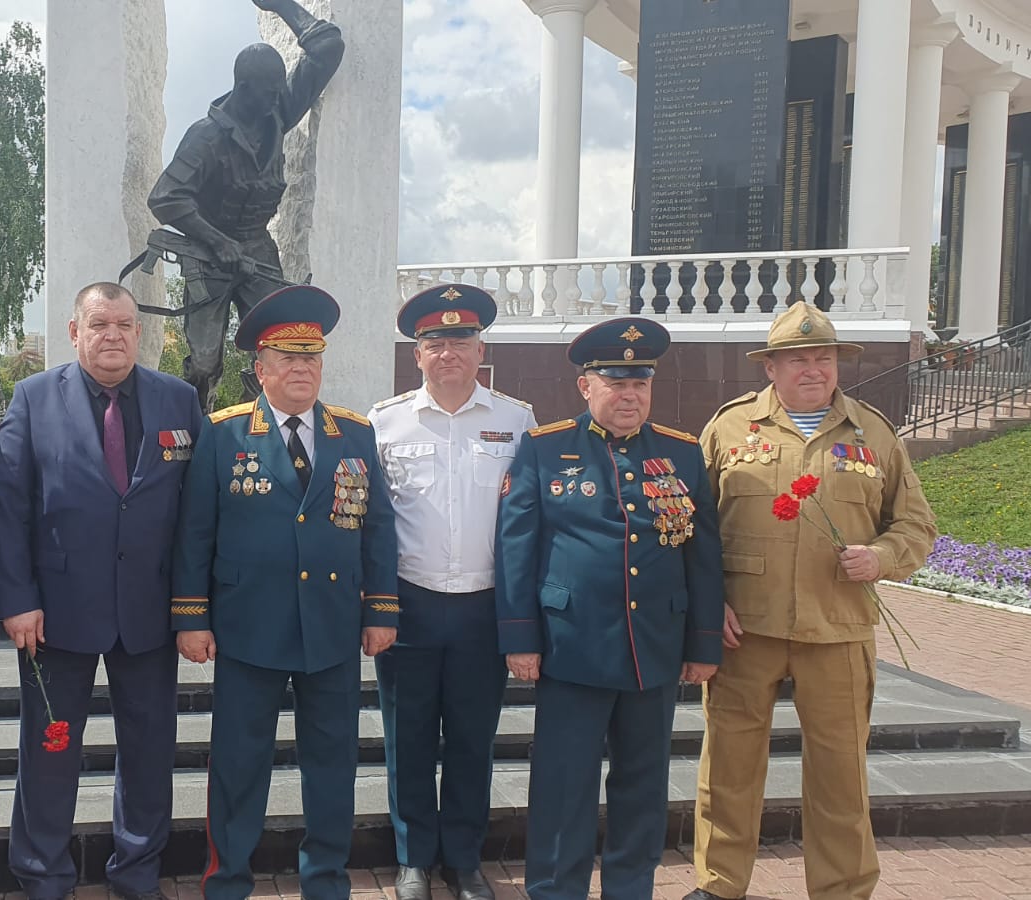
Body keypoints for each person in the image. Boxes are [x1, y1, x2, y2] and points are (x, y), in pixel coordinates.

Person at [686, 302, 936, 900]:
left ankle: (842, 889)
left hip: (838, 628)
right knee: (729, 767)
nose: (813, 369)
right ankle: (719, 884)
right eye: (797, 359)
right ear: (770, 367)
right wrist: (706, 603)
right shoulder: (729, 428)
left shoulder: (873, 433)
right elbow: (691, 526)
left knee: (840, 774)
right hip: (745, 630)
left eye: (824, 357)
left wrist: (882, 556)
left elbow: (916, 525)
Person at [171, 284, 400, 900]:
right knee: (238, 765)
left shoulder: (354, 434)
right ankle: (227, 882)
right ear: (260, 368)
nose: (302, 368)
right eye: (288, 358)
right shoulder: (223, 434)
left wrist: (381, 609)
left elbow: (378, 528)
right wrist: (191, 616)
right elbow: (195, 533)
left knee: (333, 765)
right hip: (250, 626)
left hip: (331, 625)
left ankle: (326, 882)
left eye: (311, 357)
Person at [496, 317, 724, 900]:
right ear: (586, 386)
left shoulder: (681, 453)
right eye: (616, 384)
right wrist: (520, 638)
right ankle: (555, 890)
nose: (629, 396)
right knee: (563, 784)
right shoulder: (545, 448)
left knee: (642, 785)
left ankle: (630, 889)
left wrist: (702, 643)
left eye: (639, 384)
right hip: (572, 646)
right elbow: (517, 549)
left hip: (653, 647)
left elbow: (703, 555)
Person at [0, 282, 204, 900]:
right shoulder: (34, 398)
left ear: (139, 333)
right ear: (74, 332)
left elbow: (195, 513)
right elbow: (10, 506)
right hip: (56, 614)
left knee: (149, 751)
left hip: (149, 611)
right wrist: (17, 599)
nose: (113, 335)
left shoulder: (178, 399)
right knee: (49, 750)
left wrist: (191, 607)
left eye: (124, 324)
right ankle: (43, 875)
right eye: (99, 324)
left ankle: (136, 871)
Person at [367, 284, 535, 900]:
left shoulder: (516, 421)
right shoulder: (384, 422)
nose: (448, 354)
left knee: (471, 738)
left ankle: (463, 860)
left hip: (483, 606)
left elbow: (528, 522)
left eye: (460, 341)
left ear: (480, 350)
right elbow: (372, 522)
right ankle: (413, 858)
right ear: (417, 355)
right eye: (435, 343)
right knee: (407, 737)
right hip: (408, 603)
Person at [148, 0, 343, 411]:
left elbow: (328, 47)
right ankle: (199, 431)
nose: (277, 99)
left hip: (257, 250)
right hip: (208, 255)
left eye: (279, 91)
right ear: (243, 88)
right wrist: (217, 241)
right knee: (204, 364)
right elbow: (165, 197)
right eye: (269, 92)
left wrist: (282, 6)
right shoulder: (204, 137)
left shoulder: (276, 113)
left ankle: (260, 425)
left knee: (282, 344)